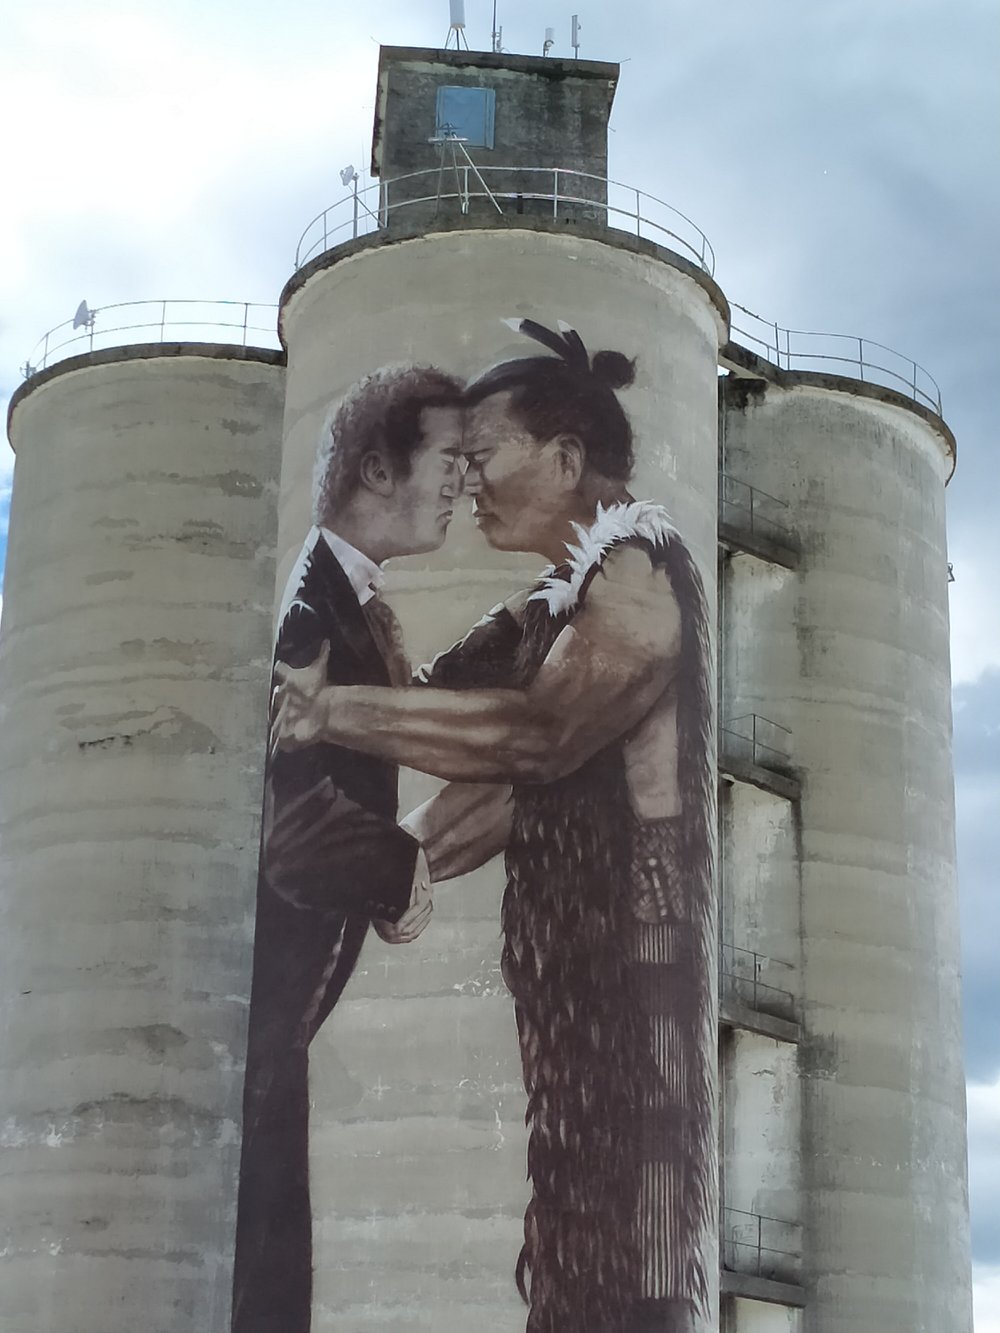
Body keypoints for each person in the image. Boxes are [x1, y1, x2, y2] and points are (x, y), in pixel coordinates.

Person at [273, 322, 715, 1333]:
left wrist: (330, 709)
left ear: (565, 460)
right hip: (575, 988)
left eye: (484, 455)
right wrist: (397, 861)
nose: (466, 480)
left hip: (634, 981)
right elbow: (507, 795)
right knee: (573, 1238)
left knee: (633, 1253)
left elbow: (535, 739)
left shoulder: (640, 578)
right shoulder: (557, 608)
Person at [230, 365, 464, 1333]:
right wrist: (402, 867)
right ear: (377, 467)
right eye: (450, 460)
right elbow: (289, 833)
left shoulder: (345, 600)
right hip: (269, 1013)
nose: (464, 483)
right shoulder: (303, 616)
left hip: (282, 1024)